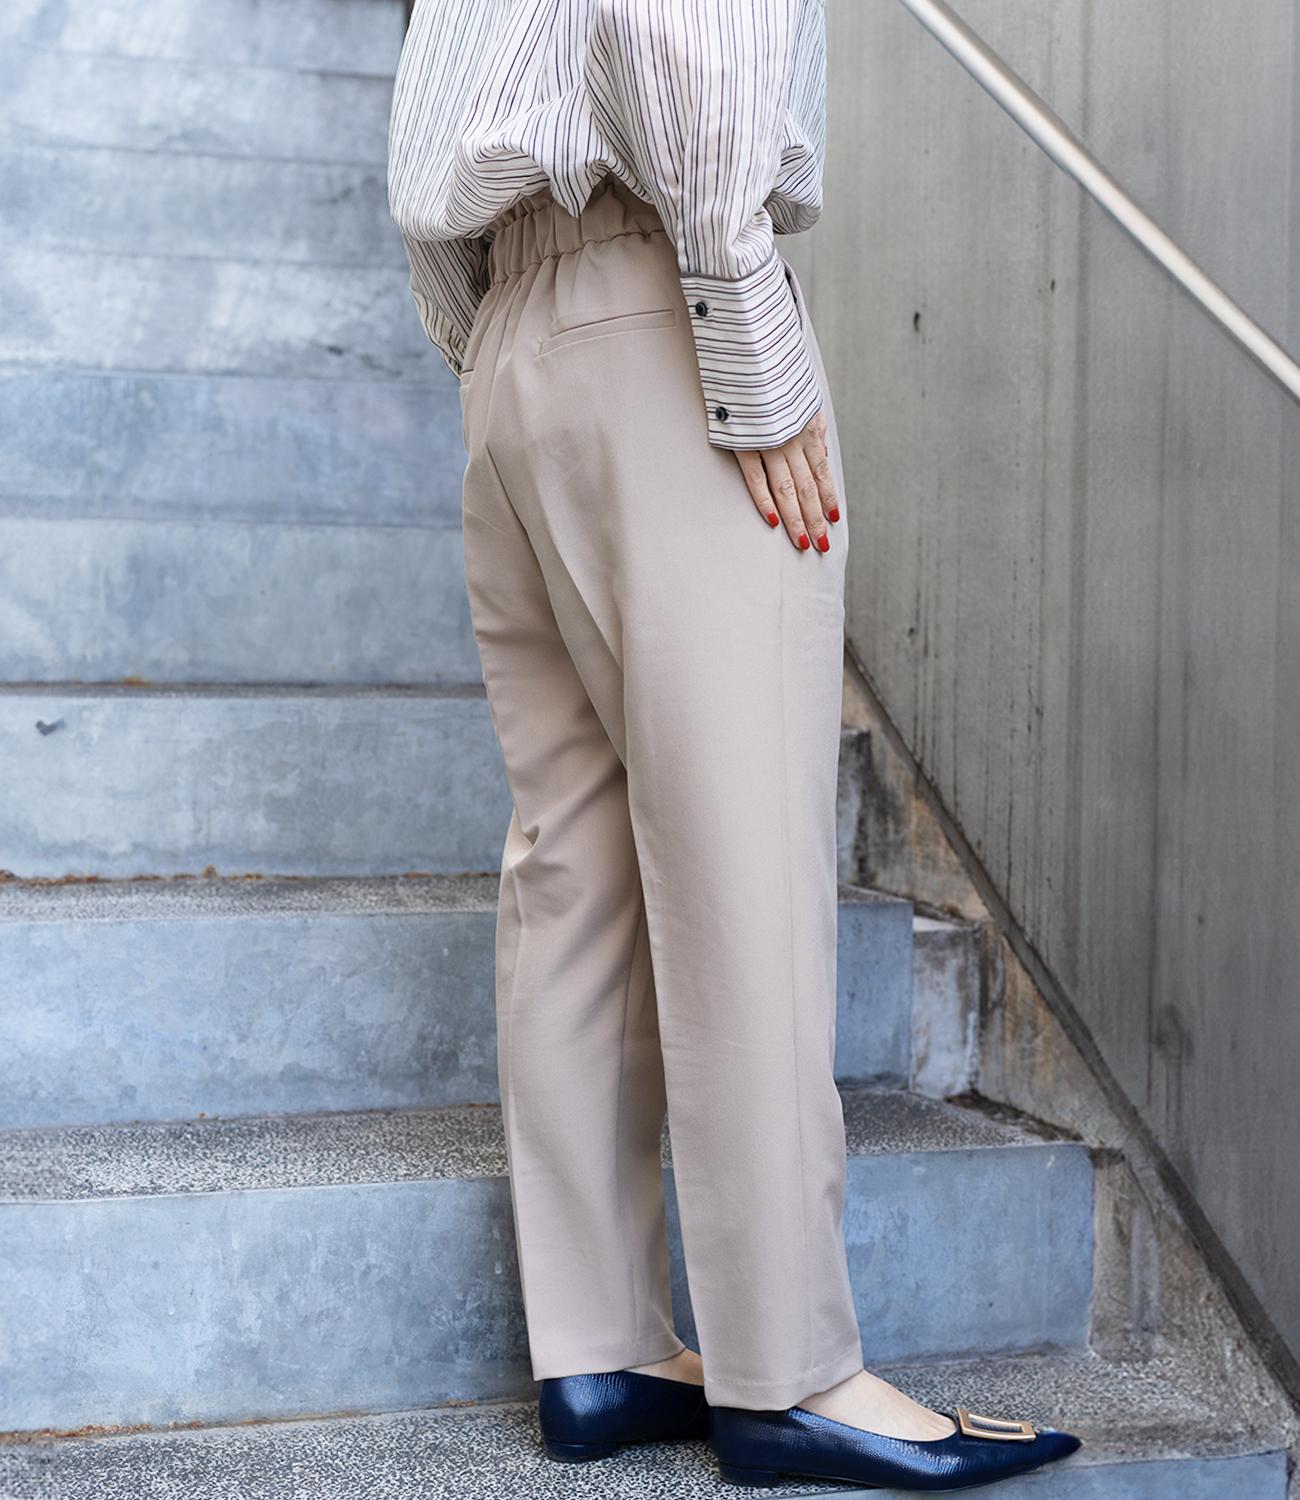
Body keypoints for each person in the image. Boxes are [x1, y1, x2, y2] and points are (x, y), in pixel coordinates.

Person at [388, 0, 1081, 1489]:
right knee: (742, 857)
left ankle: (601, 1347)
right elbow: (684, 28)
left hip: (514, 338)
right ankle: (792, 1370)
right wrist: (741, 314)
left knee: (574, 863)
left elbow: (441, 93)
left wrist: (498, 326)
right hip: (660, 306)